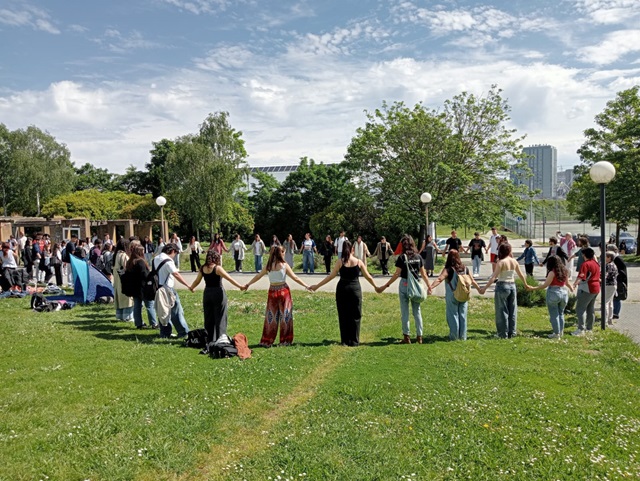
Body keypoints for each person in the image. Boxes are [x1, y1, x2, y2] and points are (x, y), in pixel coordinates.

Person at [310, 240, 379, 346]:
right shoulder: (358, 262)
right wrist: (376, 287)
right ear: (352, 249)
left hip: (342, 288)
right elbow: (368, 276)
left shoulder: (340, 262)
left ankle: (345, 340)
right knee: (356, 314)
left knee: (343, 315)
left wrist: (317, 286)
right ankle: (354, 340)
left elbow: (330, 276)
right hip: (355, 289)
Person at [243, 246, 310, 347]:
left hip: (272, 292)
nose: (284, 254)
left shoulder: (269, 266)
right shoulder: (284, 265)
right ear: (280, 253)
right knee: (285, 316)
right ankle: (285, 340)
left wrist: (248, 284)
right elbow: (295, 278)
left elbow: (258, 276)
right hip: (284, 291)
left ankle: (267, 340)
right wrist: (306, 286)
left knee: (271, 317)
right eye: (283, 252)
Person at [376, 235, 432, 344]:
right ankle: (419, 336)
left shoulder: (402, 258)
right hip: (415, 285)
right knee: (417, 311)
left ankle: (407, 336)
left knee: (405, 311)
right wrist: (429, 286)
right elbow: (424, 274)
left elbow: (397, 274)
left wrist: (386, 285)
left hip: (404, 284)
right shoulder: (418, 257)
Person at [189, 250, 245, 345]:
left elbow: (197, 281)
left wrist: (192, 287)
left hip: (207, 293)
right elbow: (229, 278)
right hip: (218, 293)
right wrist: (240, 286)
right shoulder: (217, 268)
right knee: (220, 316)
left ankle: (209, 338)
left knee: (208, 317)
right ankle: (220, 338)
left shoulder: (203, 268)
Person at [429, 250, 481, 341]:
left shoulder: (449, 269)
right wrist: (480, 289)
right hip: (464, 295)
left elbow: (440, 279)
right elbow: (472, 280)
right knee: (463, 315)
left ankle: (454, 336)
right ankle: (463, 336)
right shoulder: (465, 268)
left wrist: (431, 287)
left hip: (452, 295)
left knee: (453, 315)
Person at [479, 243, 528, 339]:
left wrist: (484, 288)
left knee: (502, 311)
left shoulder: (501, 262)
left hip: (502, 285)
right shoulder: (514, 261)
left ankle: (502, 334)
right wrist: (525, 284)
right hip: (512, 285)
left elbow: (494, 277)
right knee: (512, 310)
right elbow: (521, 275)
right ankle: (512, 332)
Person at [526, 255, 573, 338]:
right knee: (561, 313)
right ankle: (561, 332)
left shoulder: (552, 272)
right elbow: (567, 283)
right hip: (564, 292)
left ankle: (556, 333)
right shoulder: (565, 270)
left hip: (554, 293)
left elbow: (545, 285)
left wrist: (533, 288)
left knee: (554, 314)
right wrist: (571, 288)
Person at [153, 243, 192, 339]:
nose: (175, 255)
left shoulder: (156, 258)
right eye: (176, 253)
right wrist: (188, 285)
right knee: (177, 311)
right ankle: (183, 332)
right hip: (168, 289)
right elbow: (176, 274)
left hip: (158, 288)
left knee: (163, 311)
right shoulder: (168, 261)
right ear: (172, 251)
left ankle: (165, 333)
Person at [125, 244, 158, 329]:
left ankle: (138, 324)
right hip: (143, 287)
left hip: (134, 287)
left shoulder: (130, 262)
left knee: (137, 306)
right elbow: (145, 275)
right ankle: (153, 323)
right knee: (149, 305)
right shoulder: (141, 262)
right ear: (140, 252)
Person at [571, 247, 600, 336]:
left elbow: (581, 276)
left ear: (584, 255)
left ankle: (581, 329)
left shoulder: (585, 264)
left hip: (587, 288)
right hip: (596, 287)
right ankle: (589, 328)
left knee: (580, 308)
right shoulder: (596, 263)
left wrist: (575, 284)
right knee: (590, 308)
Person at [113, 239, 134, 322]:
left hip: (118, 279)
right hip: (124, 280)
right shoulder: (123, 255)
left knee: (120, 297)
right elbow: (127, 267)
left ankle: (120, 315)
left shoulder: (116, 254)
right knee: (126, 298)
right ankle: (127, 316)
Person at [608, 245, 627, 320]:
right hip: (616, 281)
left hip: (618, 281)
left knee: (616, 297)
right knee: (615, 297)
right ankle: (614, 313)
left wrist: (616, 278)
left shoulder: (617, 259)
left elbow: (622, 272)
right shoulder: (616, 258)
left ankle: (615, 313)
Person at [603, 252, 618, 326]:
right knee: (610, 302)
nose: (604, 258)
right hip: (614, 285)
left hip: (608, 285)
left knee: (605, 302)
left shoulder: (608, 265)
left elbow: (605, 275)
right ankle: (610, 319)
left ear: (609, 258)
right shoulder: (614, 265)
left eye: (606, 256)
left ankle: (605, 321)